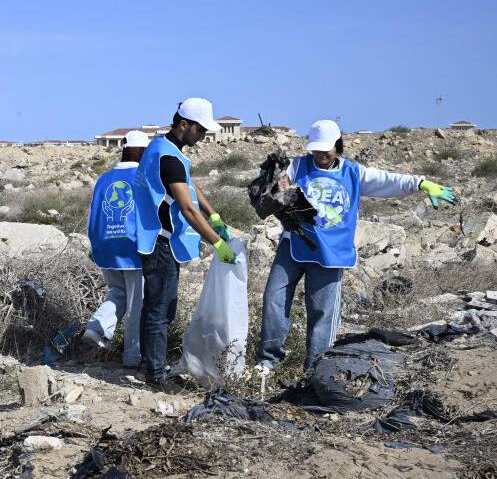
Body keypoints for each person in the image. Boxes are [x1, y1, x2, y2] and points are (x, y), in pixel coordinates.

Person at [256, 119, 456, 373]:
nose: (320, 155)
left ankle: (316, 369)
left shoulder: (353, 172)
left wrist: (420, 183)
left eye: (326, 150)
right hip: (294, 244)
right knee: (274, 297)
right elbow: (269, 181)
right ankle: (267, 361)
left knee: (322, 312)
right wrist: (266, 178)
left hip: (330, 252)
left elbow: (387, 181)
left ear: (338, 146)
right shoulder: (297, 166)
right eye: (316, 150)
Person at [134, 98, 237, 391]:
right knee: (161, 308)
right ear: (184, 125)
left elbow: (189, 184)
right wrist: (218, 244)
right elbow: (187, 209)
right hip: (160, 241)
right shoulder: (168, 158)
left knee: (155, 305)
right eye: (201, 130)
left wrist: (214, 213)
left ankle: (147, 365)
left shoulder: (164, 148)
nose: (204, 136)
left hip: (154, 239)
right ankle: (155, 374)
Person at [83, 130, 150, 367]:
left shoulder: (103, 179)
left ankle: (97, 328)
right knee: (137, 303)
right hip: (134, 247)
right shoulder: (143, 176)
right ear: (141, 151)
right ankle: (134, 356)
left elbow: (92, 213)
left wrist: (94, 244)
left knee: (118, 292)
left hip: (106, 245)